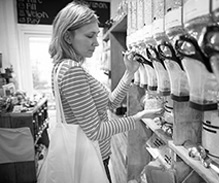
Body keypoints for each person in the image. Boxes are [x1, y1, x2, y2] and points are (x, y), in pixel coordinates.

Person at [49, 1, 163, 182]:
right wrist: (138, 118)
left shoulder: (62, 67)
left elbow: (111, 103)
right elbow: (95, 131)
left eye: (96, 35)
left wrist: (129, 72)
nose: (96, 43)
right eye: (89, 36)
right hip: (92, 160)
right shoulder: (72, 71)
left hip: (92, 156)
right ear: (68, 37)